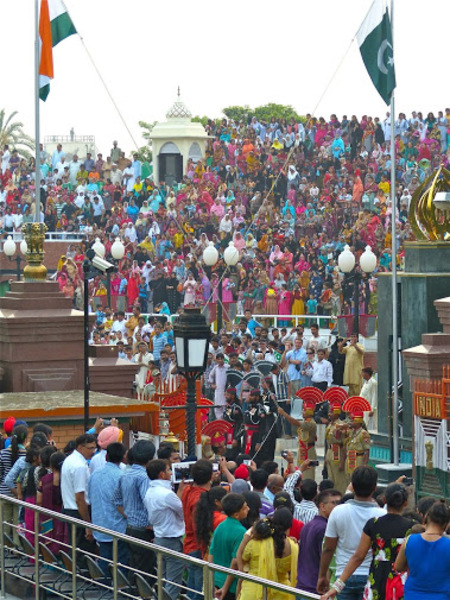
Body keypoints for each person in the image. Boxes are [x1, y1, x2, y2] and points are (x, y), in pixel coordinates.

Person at [321, 482, 413, 600]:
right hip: (401, 584)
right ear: (405, 503)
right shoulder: (411, 528)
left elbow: (358, 557)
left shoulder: (374, 524)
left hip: (377, 582)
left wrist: (337, 587)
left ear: (384, 500)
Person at [317, 466, 386, 598]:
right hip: (370, 576)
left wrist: (322, 576)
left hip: (343, 577)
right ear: (375, 488)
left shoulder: (338, 511)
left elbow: (328, 548)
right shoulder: (382, 515)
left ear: (352, 486)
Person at [112, 439, 156, 576]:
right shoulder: (144, 477)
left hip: (130, 527)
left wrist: (128, 514)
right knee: (146, 569)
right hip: (143, 529)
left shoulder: (126, 473)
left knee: (134, 567)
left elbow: (115, 499)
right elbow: (148, 501)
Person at [144, 459, 186, 600]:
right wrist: (180, 492)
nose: (171, 473)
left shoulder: (151, 491)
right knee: (173, 581)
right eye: (168, 470)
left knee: (163, 577)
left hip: (160, 536)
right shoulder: (165, 493)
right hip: (171, 538)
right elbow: (182, 511)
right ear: (162, 474)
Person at [236, 507, 299, 600]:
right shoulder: (293, 547)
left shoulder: (256, 542)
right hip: (282, 593)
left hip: (254, 591)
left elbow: (242, 557)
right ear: (290, 525)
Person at [394, 500, 450, 600]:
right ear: (446, 524)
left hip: (412, 595)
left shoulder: (410, 540)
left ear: (425, 517)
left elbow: (398, 567)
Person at [89, 442, 129, 574]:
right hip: (118, 527)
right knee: (121, 564)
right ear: (123, 457)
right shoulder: (121, 476)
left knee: (105, 560)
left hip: (100, 524)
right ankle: (119, 590)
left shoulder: (95, 474)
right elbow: (122, 504)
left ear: (106, 457)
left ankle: (104, 588)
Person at [61, 434, 98, 565]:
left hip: (70, 509)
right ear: (80, 447)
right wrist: (88, 524)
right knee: (83, 552)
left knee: (75, 548)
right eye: (90, 448)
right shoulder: (79, 466)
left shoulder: (70, 460)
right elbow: (80, 498)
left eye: (94, 448)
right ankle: (83, 579)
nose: (93, 452)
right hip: (79, 511)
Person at [297, 488, 342, 594]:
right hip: (316, 588)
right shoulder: (325, 529)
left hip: (303, 584)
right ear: (322, 506)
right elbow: (325, 559)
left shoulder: (308, 525)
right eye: (334, 503)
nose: (338, 507)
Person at [182, 459, 213, 600]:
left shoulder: (188, 490)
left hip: (191, 545)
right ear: (210, 476)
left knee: (192, 588)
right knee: (198, 592)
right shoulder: (199, 498)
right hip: (197, 547)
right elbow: (198, 527)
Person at [208, 493, 248, 600]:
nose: (248, 509)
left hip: (216, 580)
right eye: (244, 508)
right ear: (236, 514)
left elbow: (211, 554)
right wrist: (225, 588)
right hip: (230, 586)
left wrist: (211, 581)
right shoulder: (241, 532)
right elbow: (235, 562)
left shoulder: (220, 526)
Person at [278, 398, 317, 480]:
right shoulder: (306, 422)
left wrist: (284, 414)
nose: (302, 412)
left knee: (308, 475)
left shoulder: (311, 424)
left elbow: (295, 422)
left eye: (304, 410)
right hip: (302, 449)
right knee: (300, 473)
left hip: (309, 450)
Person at [194, 486, 227, 558]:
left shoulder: (205, 514)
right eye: (226, 500)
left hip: (207, 555)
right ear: (217, 502)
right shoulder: (222, 519)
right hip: (219, 557)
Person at [324, 398, 348, 494]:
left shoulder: (341, 425)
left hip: (337, 451)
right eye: (329, 412)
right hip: (330, 451)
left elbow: (344, 445)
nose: (329, 414)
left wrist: (342, 461)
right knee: (331, 477)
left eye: (332, 412)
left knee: (339, 479)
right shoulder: (330, 425)